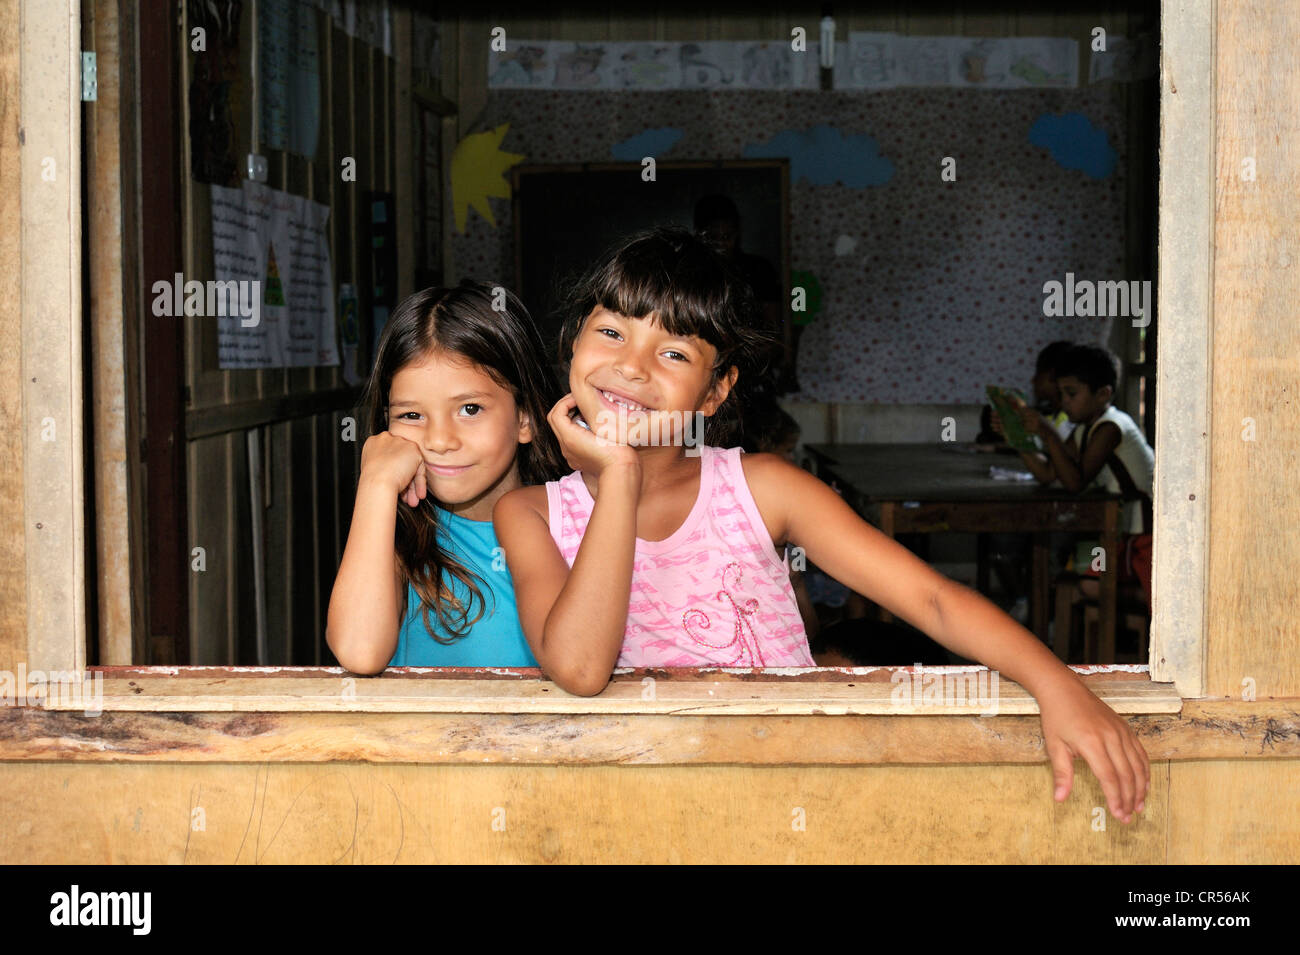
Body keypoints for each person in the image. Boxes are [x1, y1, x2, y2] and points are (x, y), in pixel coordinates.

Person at [494, 227, 1149, 823]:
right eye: (611, 332)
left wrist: (1057, 682)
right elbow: (580, 666)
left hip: (797, 801)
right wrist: (619, 478)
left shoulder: (763, 487)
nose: (631, 366)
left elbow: (934, 598)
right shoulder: (532, 514)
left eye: (672, 352)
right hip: (647, 812)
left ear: (716, 392)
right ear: (573, 341)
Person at [326, 281, 565, 672]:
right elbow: (359, 651)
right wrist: (376, 483)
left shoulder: (577, 521)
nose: (439, 440)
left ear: (525, 417)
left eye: (470, 409)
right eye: (411, 415)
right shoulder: (399, 534)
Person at [995, 343, 1154, 608]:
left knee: (1159, 600)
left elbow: (1074, 484)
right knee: (1090, 586)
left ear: (1103, 394)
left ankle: (1141, 604)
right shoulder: (1085, 429)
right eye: (1062, 394)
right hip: (1123, 529)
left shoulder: (1111, 428)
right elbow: (1048, 473)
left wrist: (1047, 433)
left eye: (1071, 394)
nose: (1064, 402)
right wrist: (1017, 438)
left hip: (1145, 527)